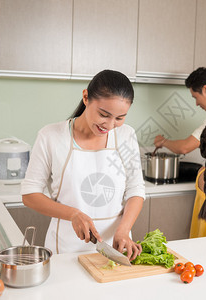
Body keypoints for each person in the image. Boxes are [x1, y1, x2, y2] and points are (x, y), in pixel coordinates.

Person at [21, 70, 145, 260]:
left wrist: (124, 230)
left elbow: (136, 189)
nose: (110, 126)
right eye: (104, 114)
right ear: (86, 97)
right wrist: (72, 214)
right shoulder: (51, 137)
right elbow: (30, 195)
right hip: (65, 251)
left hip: (115, 249)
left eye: (119, 118)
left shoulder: (126, 135)